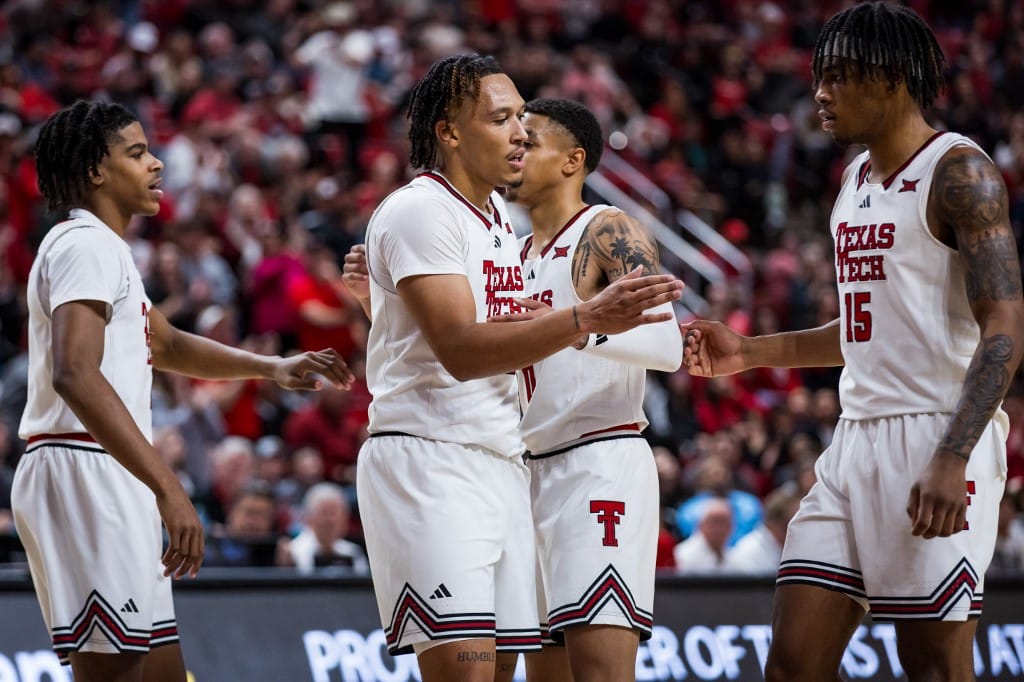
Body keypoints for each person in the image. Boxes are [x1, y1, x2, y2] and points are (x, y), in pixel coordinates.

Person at [682, 4, 1024, 680]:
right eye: (819, 77)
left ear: (892, 78)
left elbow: (1006, 329)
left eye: (837, 77)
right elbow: (865, 333)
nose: (819, 93)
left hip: (938, 435)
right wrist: (750, 353)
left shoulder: (960, 174)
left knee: (932, 666)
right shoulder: (853, 182)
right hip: (854, 442)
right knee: (793, 663)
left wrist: (952, 457)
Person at [340, 54, 681, 682]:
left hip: (563, 460)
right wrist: (581, 320)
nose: (520, 132)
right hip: (446, 459)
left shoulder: (528, 225)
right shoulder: (436, 213)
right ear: (449, 132)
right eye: (503, 119)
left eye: (525, 119)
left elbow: (666, 345)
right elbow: (463, 347)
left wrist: (579, 325)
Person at [11, 99, 353, 682]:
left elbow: (164, 343)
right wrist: (168, 487)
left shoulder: (105, 249)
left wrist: (270, 368)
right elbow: (74, 371)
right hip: (86, 464)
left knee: (163, 671)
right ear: (96, 169)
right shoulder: (83, 246)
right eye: (137, 153)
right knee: (113, 674)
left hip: (110, 467)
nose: (156, 165)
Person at [498, 97, 681, 681]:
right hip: (527, 472)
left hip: (598, 460)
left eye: (530, 144)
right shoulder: (511, 253)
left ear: (573, 160)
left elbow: (666, 346)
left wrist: (573, 328)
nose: (515, 152)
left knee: (600, 673)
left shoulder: (606, 228)